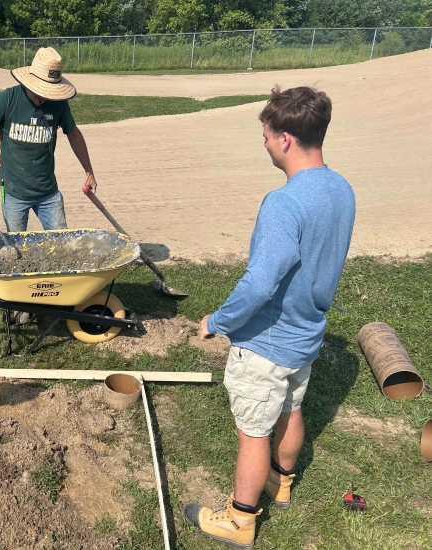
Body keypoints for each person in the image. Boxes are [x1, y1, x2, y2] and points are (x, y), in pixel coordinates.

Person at [183, 86, 355, 549]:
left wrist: (218, 321)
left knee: (253, 431)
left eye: (265, 135)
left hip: (267, 343)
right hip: (306, 335)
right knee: (291, 408)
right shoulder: (341, 188)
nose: (263, 144)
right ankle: (282, 483)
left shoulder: (284, 203)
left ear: (284, 139)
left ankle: (239, 520)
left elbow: (259, 284)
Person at [0, 46, 98, 232]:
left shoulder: (59, 105)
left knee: (62, 241)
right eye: (43, 91)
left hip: (48, 193)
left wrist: (89, 171)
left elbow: (74, 134)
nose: (47, 97)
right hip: (14, 193)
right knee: (17, 247)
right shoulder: (6, 100)